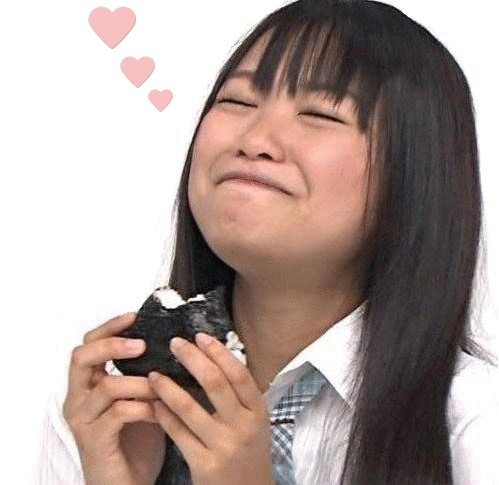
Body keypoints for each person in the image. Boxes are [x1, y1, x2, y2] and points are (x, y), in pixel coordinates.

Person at [35, 0, 499, 484]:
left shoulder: (477, 422)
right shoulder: (108, 409)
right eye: (237, 102)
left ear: (414, 177)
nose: (255, 138)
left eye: (319, 112)